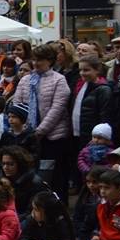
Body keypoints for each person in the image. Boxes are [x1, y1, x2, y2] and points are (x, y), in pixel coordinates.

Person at [12, 43, 71, 198]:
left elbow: (57, 108)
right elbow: (17, 105)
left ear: (50, 61)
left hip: (53, 137)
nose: (36, 63)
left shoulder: (59, 80)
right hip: (28, 135)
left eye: (40, 60)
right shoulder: (26, 80)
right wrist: (24, 129)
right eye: (34, 59)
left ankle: (57, 204)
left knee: (53, 175)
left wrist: (40, 131)